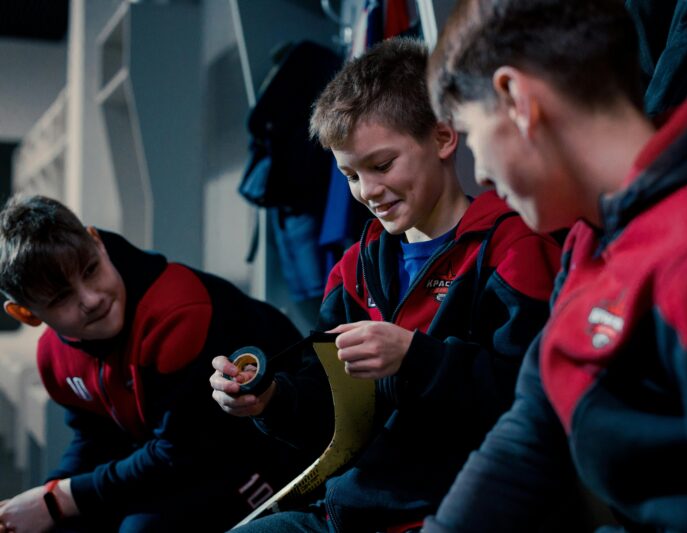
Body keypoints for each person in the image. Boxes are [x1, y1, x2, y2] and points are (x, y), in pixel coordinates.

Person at [423, 0, 687, 531]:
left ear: (517, 99)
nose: (479, 171)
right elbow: (534, 422)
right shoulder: (592, 236)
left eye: (471, 131)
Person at [209, 37, 563, 532]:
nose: (367, 192)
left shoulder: (512, 250)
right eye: (350, 175)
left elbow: (539, 402)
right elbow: (336, 423)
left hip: (464, 512)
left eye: (381, 165)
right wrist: (270, 400)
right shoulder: (354, 271)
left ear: (443, 137)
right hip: (351, 512)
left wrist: (416, 359)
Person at [0, 195, 321, 532]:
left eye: (91, 270)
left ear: (97, 242)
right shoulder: (55, 355)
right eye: (61, 297)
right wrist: (49, 495)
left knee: (141, 530)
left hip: (271, 458)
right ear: (27, 314)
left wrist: (61, 499)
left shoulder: (178, 312)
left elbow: (181, 453)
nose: (91, 299)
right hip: (182, 462)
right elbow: (94, 436)